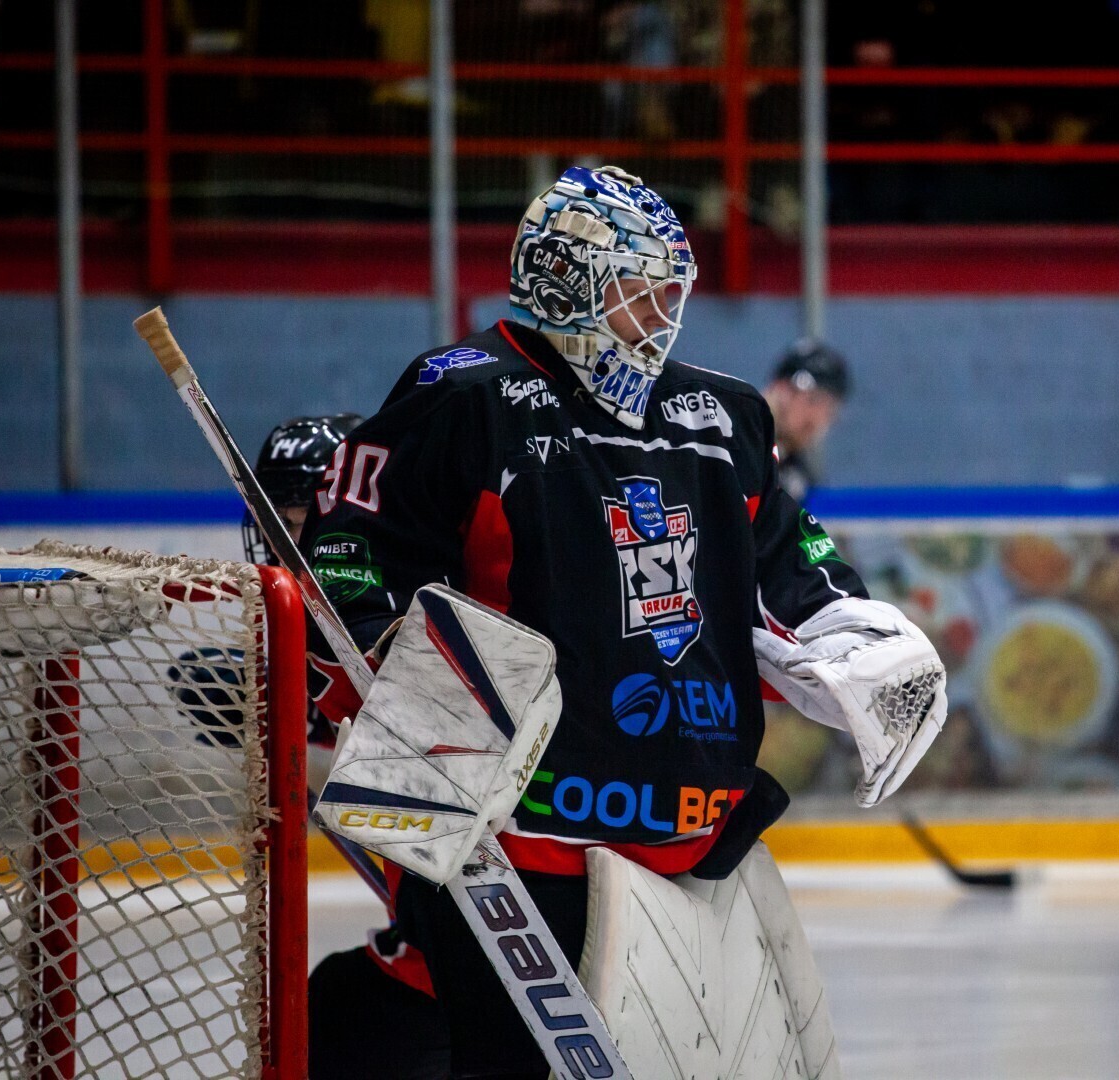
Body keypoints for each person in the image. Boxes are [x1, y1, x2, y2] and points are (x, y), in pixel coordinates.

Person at [301, 164, 942, 1077]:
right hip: (516, 845)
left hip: (691, 844)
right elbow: (353, 546)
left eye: (671, 289)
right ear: (565, 280)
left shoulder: (724, 414)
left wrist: (856, 634)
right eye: (640, 287)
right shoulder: (466, 392)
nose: (664, 310)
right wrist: (381, 654)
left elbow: (787, 559)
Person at [235, 414, 453, 1080]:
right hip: (447, 940)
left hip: (472, 955)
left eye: (299, 523)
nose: (282, 545)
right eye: (273, 525)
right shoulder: (318, 632)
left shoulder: (410, 621)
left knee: (331, 1017)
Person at [764, 338, 851, 502]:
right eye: (813, 400)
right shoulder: (736, 448)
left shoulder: (799, 476)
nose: (816, 416)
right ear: (776, 390)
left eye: (829, 409)